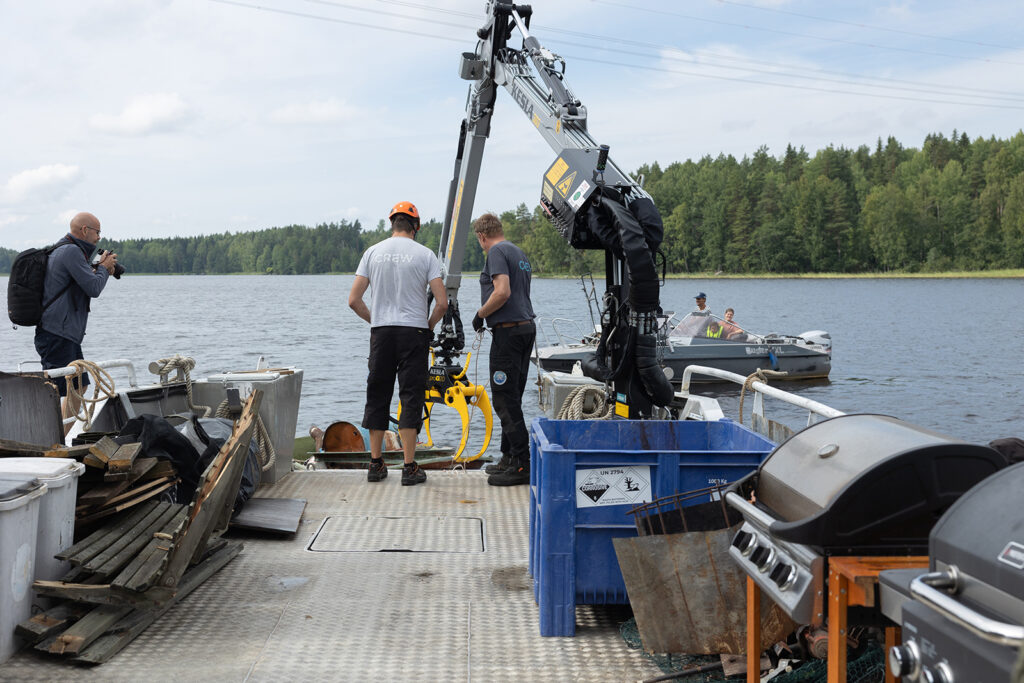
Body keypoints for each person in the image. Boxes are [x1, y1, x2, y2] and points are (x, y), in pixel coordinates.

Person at [349, 201, 447, 487]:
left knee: (378, 393)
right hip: (413, 334)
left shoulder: (372, 253)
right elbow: (441, 303)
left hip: (382, 333)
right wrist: (427, 327)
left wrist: (376, 320)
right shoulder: (426, 255)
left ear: (392, 224)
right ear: (415, 227)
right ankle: (408, 467)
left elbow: (353, 300)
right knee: (411, 397)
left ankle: (376, 464)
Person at [35, 212, 118, 425]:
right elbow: (93, 288)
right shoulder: (71, 251)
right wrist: (104, 269)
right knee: (58, 389)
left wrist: (97, 268)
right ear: (84, 230)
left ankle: (59, 439)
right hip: (57, 333)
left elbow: (85, 282)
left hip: (63, 334)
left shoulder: (63, 250)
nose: (99, 237)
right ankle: (50, 439)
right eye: (97, 232)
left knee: (79, 386)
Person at [472, 213, 536, 487]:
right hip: (525, 330)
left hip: (508, 333)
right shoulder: (517, 251)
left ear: (482, 236)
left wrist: (480, 314)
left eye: (479, 242)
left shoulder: (496, 251)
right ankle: (509, 457)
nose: (482, 246)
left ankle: (523, 463)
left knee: (503, 398)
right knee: (513, 396)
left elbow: (502, 292)